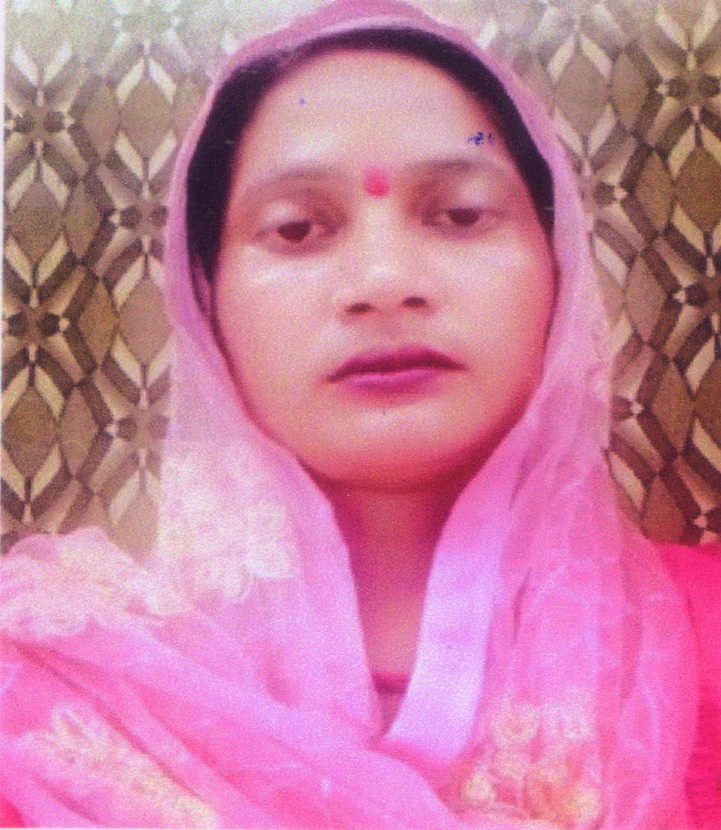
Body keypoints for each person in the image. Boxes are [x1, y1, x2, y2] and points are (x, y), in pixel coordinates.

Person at [1, 0, 720, 827]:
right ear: (206, 303)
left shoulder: (704, 634)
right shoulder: (56, 689)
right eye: (296, 229)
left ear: (559, 272)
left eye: (459, 215)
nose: (383, 281)